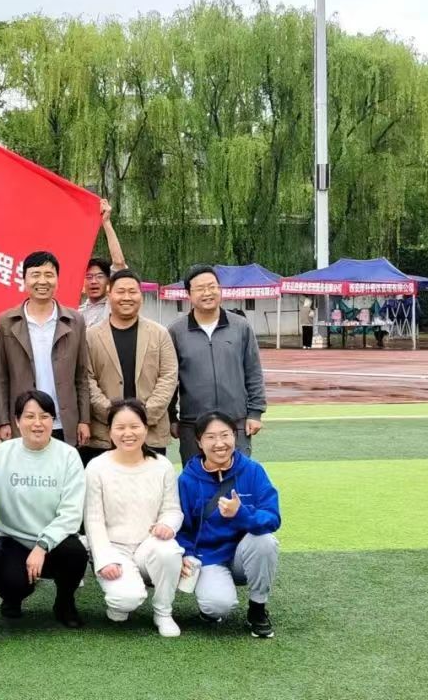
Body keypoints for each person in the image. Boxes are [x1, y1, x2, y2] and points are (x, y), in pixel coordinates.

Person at [84, 399, 184, 638]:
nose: (128, 433)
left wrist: (167, 525)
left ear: (146, 429)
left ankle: (163, 612)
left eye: (135, 426)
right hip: (115, 547)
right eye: (120, 427)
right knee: (125, 600)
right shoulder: (96, 467)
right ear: (110, 431)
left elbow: (173, 509)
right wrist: (104, 559)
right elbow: (93, 520)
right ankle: (120, 602)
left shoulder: (162, 466)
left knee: (169, 551)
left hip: (149, 544)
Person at [0, 390, 88, 627]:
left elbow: (72, 513)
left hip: (55, 541)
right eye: (29, 416)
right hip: (14, 539)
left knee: (76, 553)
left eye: (44, 417)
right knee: (11, 582)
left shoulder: (68, 455)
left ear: (53, 420)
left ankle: (64, 602)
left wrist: (42, 546)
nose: (37, 423)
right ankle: (12, 598)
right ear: (17, 421)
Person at [176, 411, 280, 639]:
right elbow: (182, 527)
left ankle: (257, 608)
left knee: (265, 540)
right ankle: (212, 603)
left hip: (245, 556)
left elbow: (273, 518)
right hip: (209, 557)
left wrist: (241, 514)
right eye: (210, 437)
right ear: (199, 442)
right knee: (217, 607)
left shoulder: (253, 471)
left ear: (235, 436)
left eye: (225, 435)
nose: (219, 443)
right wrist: (187, 554)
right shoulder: (187, 479)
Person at [168, 264, 267, 465]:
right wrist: (171, 418)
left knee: (236, 477)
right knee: (196, 479)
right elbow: (169, 379)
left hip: (235, 423)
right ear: (188, 294)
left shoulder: (240, 326)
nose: (207, 293)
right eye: (200, 288)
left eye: (212, 287)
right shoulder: (176, 332)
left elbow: (253, 371)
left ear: (220, 289)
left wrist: (255, 412)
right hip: (192, 425)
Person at [0, 250, 90, 448]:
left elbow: (81, 376)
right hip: (23, 420)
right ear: (24, 280)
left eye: (49, 275)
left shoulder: (75, 321)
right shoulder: (6, 322)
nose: (42, 281)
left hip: (64, 421)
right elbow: (0, 376)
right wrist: (3, 420)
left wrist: (84, 419)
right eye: (35, 275)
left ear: (57, 280)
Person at [84, 269, 178, 465]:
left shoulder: (159, 334)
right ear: (109, 294)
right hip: (105, 434)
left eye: (132, 292)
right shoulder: (91, 336)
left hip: (150, 432)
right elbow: (86, 379)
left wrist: (143, 416)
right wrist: (112, 416)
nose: (126, 297)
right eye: (120, 291)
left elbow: (169, 377)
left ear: (140, 296)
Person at [79, 199, 129, 328]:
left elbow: (119, 263)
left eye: (99, 276)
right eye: (89, 277)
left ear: (108, 281)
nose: (93, 281)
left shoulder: (114, 307)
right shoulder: (76, 314)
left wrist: (106, 223)